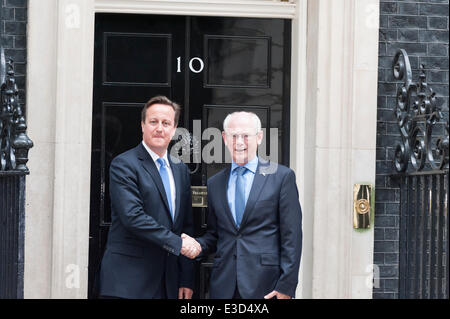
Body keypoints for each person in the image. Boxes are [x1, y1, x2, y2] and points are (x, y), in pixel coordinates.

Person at [184, 111, 302, 299]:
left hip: (267, 286)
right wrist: (196, 245)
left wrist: (286, 286)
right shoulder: (215, 184)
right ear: (224, 138)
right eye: (233, 135)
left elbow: (292, 237)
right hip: (224, 285)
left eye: (246, 135)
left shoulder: (282, 178)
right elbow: (216, 234)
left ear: (260, 137)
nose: (239, 142)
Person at [98, 95, 200, 299]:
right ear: (142, 125)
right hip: (128, 282)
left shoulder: (180, 169)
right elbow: (133, 217)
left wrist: (186, 278)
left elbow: (186, 225)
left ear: (174, 128)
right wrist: (179, 244)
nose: (159, 128)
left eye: (166, 123)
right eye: (153, 122)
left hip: (168, 283)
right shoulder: (124, 164)